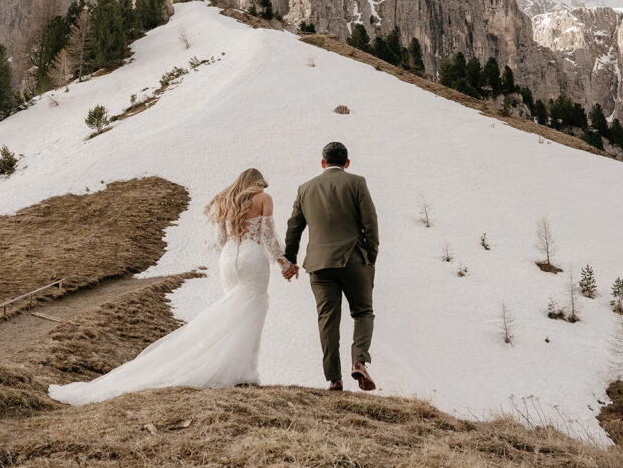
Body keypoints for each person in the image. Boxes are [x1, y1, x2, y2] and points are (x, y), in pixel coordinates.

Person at [48, 168, 289, 405]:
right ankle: (243, 370)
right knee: (251, 310)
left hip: (228, 259)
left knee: (231, 310)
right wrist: (285, 263)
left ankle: (232, 367)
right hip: (252, 258)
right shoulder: (264, 199)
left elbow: (220, 240)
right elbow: (268, 237)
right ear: (257, 183)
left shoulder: (224, 199)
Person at [283, 141, 379, 391]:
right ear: (347, 163)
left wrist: (290, 259)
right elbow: (370, 222)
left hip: (318, 264)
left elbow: (294, 227)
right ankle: (359, 360)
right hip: (353, 259)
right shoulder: (356, 182)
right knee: (363, 312)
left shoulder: (305, 188)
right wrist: (371, 255)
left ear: (323, 163)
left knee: (327, 320)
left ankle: (334, 379)